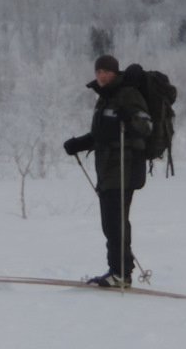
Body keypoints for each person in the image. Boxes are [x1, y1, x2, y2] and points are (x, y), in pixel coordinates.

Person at [61, 54, 153, 287]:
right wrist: (78, 144)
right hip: (108, 169)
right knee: (112, 223)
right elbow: (102, 136)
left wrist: (129, 120)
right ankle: (120, 271)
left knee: (115, 223)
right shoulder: (105, 98)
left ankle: (121, 273)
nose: (101, 75)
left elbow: (146, 126)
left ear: (115, 72)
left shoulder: (127, 94)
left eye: (106, 71)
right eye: (98, 71)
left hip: (125, 168)